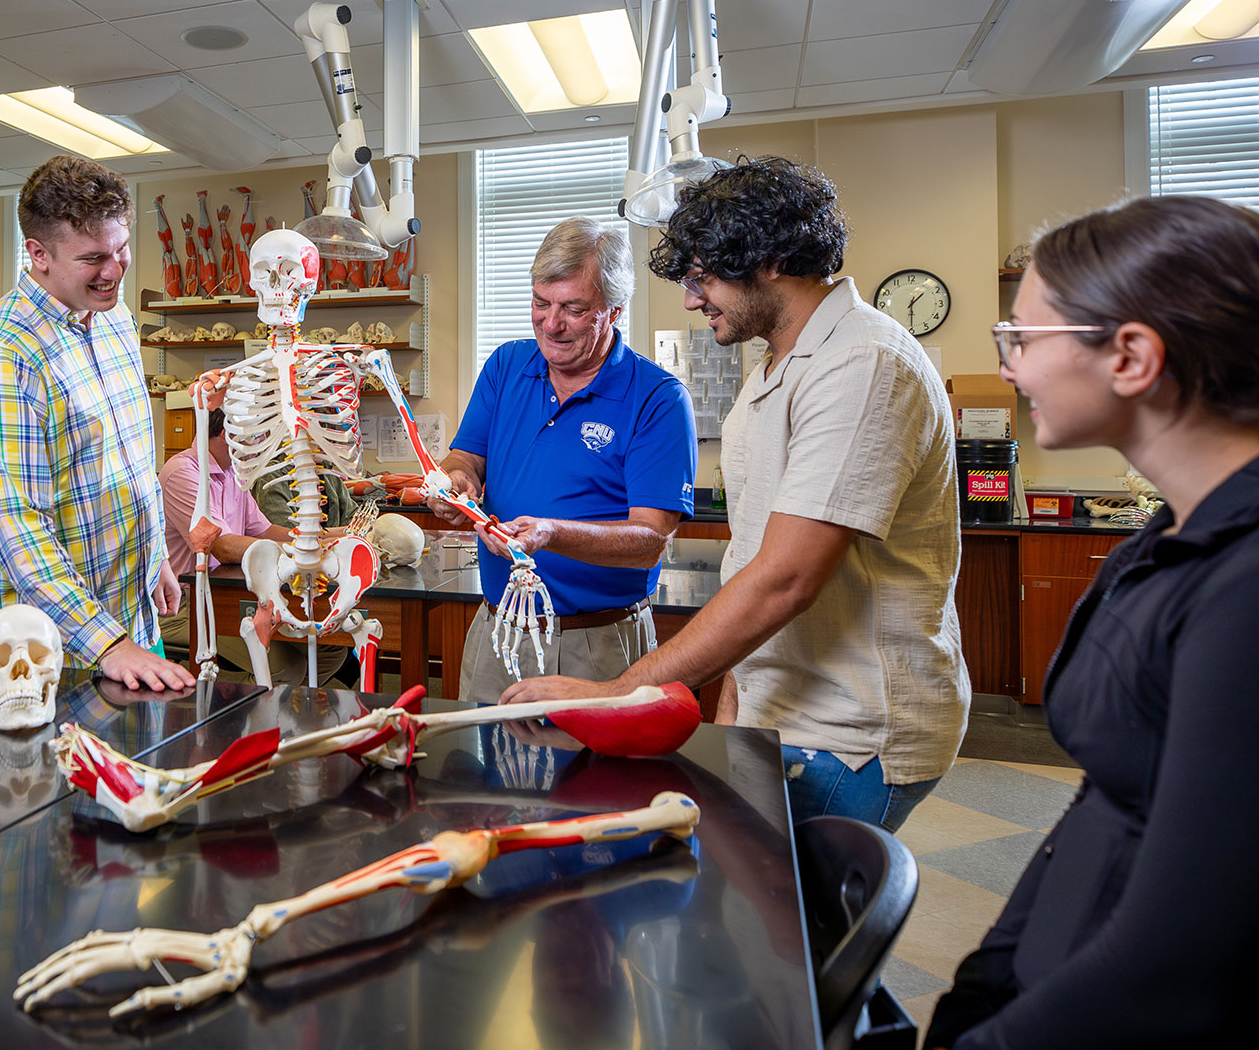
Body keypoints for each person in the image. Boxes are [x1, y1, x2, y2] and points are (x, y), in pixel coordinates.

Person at [506, 156, 966, 833]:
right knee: (744, 913)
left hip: (847, 732)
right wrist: (733, 711)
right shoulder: (779, 364)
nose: (693, 299)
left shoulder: (859, 363)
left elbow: (784, 579)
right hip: (779, 711)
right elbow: (755, 563)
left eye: (703, 277)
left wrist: (616, 694)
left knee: (791, 935)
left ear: (772, 258)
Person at [924, 196, 1259, 1049]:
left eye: (1023, 340)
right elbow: (1108, 806)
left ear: (1132, 356)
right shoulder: (1163, 540)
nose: (1010, 370)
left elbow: (1176, 963)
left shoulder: (1243, 586)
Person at [431, 215, 696, 702]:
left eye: (573, 308)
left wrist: (551, 534)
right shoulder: (506, 367)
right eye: (540, 303)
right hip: (497, 630)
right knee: (479, 775)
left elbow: (650, 539)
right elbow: (465, 457)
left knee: (596, 780)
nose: (550, 324)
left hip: (598, 644)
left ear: (614, 311)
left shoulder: (658, 399)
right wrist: (456, 482)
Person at [0, 154, 188, 692]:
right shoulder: (0, 352)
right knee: (36, 776)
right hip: (31, 643)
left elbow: (128, 454)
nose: (114, 269)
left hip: (124, 611)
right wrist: (106, 642)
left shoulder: (113, 318)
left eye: (122, 248)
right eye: (93, 257)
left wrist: (153, 557)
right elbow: (17, 523)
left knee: (125, 771)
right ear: (37, 254)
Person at [158, 401, 349, 687]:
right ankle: (233, 714)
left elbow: (266, 530)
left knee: (331, 651)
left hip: (234, 596)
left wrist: (333, 537)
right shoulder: (182, 473)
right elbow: (220, 547)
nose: (263, 443)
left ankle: (274, 709)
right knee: (287, 668)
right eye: (259, 433)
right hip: (188, 606)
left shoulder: (234, 473)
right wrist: (304, 550)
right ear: (228, 432)